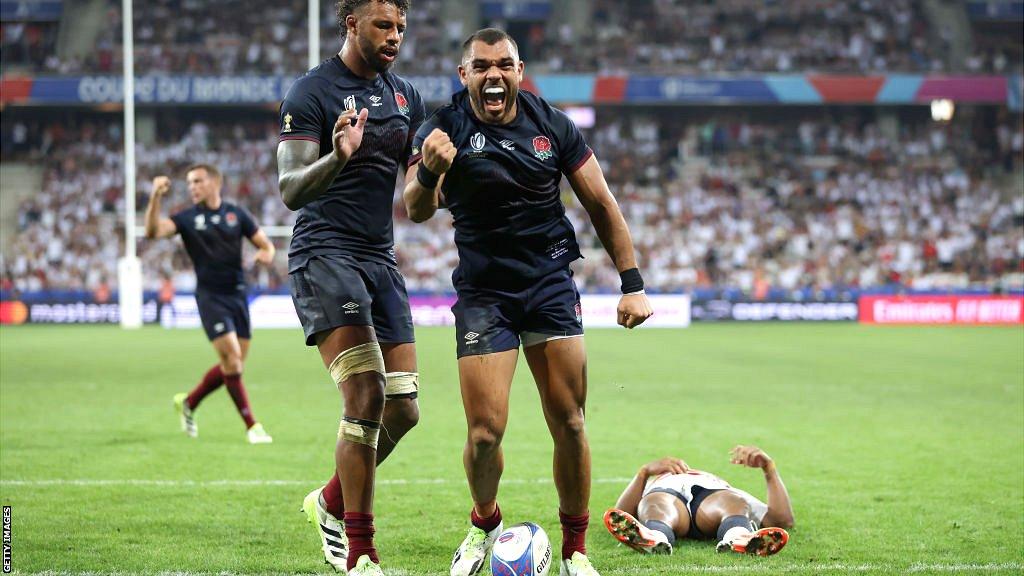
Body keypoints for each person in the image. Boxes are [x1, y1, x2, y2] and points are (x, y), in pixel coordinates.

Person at [403, 28, 654, 576]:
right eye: (481, 66)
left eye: (505, 64)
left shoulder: (552, 124)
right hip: (485, 293)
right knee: (484, 433)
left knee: (569, 421)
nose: (494, 75)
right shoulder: (442, 127)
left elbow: (601, 203)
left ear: (519, 71)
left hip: (549, 285)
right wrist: (428, 169)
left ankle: (575, 549)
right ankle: (484, 524)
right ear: (463, 75)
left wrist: (631, 282)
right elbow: (416, 208)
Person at [276, 1, 425, 574]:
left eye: (401, 28)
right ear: (351, 25)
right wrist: (338, 156)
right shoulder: (311, 93)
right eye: (383, 25)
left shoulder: (406, 96)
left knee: (404, 410)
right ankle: (359, 549)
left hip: (378, 259)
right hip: (323, 253)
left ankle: (330, 501)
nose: (394, 37)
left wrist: (436, 175)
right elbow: (290, 189)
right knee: (365, 397)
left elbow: (416, 195)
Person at [144, 165, 275, 444]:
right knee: (232, 359)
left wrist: (266, 253)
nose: (192, 187)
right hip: (210, 297)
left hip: (238, 296)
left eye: (198, 181)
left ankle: (189, 402)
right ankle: (252, 425)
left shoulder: (236, 214)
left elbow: (265, 244)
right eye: (189, 182)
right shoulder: (187, 218)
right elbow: (153, 231)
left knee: (233, 365)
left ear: (216, 182)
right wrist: (155, 196)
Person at [603, 445, 795, 557]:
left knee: (733, 502)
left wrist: (769, 468)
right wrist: (644, 472)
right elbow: (620, 515)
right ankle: (656, 538)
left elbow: (782, 520)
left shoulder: (722, 487)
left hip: (713, 495)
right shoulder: (656, 484)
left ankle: (739, 537)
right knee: (657, 505)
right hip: (665, 492)